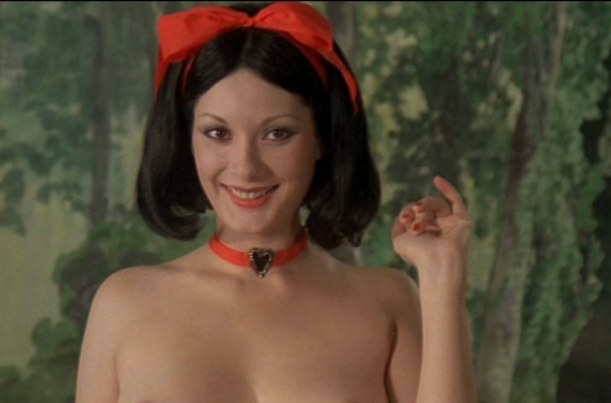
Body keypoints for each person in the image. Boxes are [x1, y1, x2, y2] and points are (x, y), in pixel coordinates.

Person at [75, 1, 477, 402]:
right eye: (218, 133)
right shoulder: (125, 303)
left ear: (322, 138)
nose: (245, 167)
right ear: (186, 139)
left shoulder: (387, 301)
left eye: (277, 134)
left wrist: (441, 273)